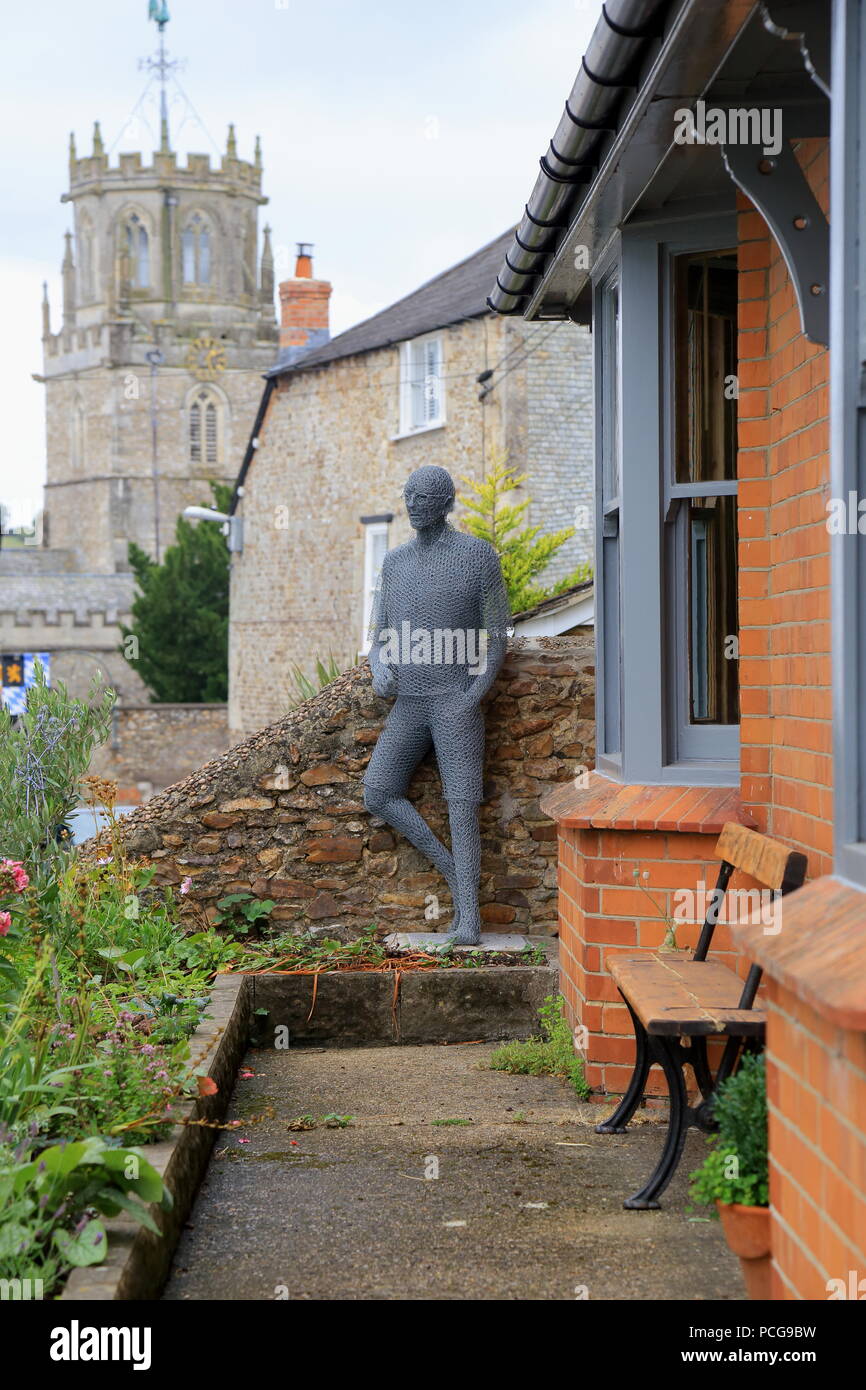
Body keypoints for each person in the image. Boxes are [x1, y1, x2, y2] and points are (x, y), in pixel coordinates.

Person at [363, 464, 510, 945]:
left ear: (445, 503)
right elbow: (378, 635)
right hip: (409, 700)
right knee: (378, 791)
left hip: (455, 700)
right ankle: (452, 871)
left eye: (423, 497)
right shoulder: (396, 563)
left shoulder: (476, 556)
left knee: (463, 807)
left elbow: (497, 634)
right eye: (408, 495)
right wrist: (379, 665)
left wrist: (476, 692)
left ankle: (468, 918)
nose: (412, 504)